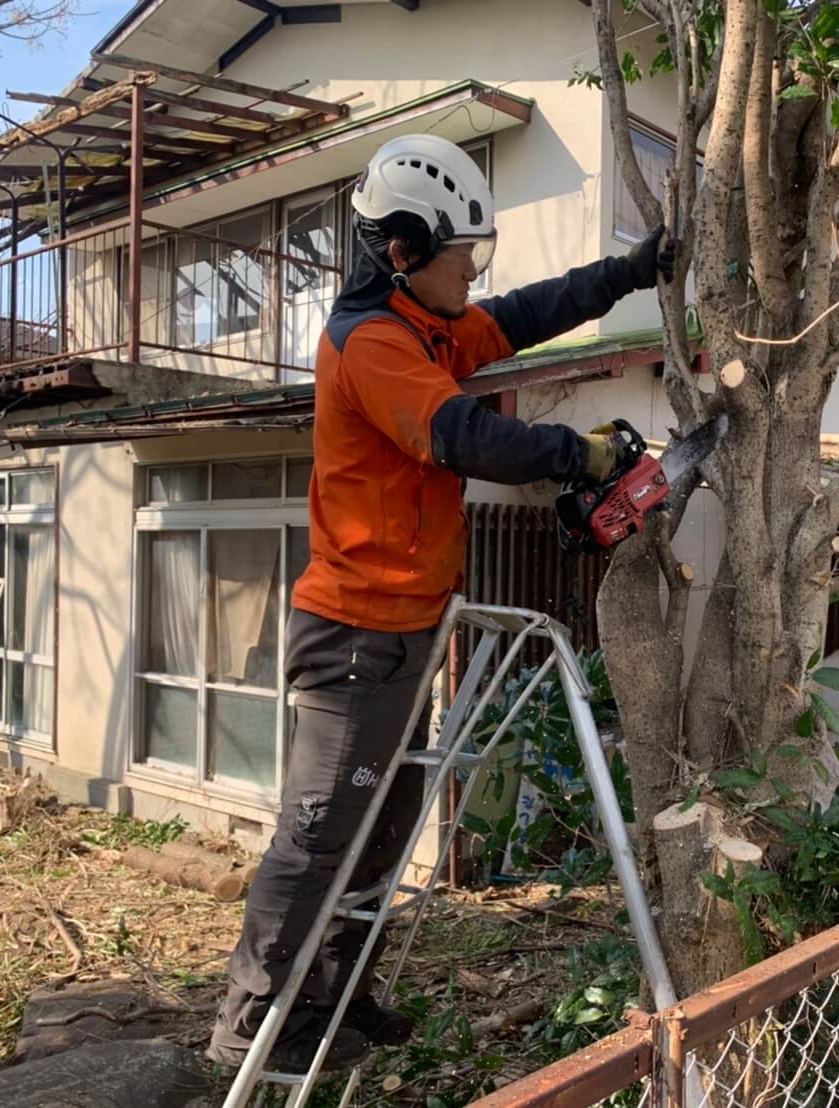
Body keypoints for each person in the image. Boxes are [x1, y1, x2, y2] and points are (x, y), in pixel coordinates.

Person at [206, 132, 675, 1073]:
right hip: (355, 634)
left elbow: (524, 315)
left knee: (384, 822)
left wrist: (625, 273)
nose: (476, 276)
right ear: (405, 252)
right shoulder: (371, 342)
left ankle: (339, 998)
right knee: (318, 829)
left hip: (405, 629)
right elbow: (461, 436)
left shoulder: (431, 323)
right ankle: (257, 1025)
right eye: (466, 257)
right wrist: (577, 456)